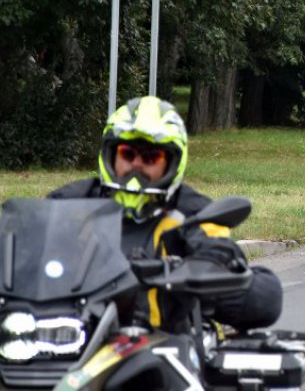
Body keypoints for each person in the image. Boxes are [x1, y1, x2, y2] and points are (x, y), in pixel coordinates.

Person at [48, 96, 282, 333]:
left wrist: (196, 268)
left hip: (165, 343)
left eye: (151, 158)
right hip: (73, 337)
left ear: (171, 162)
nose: (136, 166)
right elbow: (24, 239)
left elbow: (219, 250)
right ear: (111, 155)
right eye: (127, 154)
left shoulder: (193, 211)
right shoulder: (71, 201)